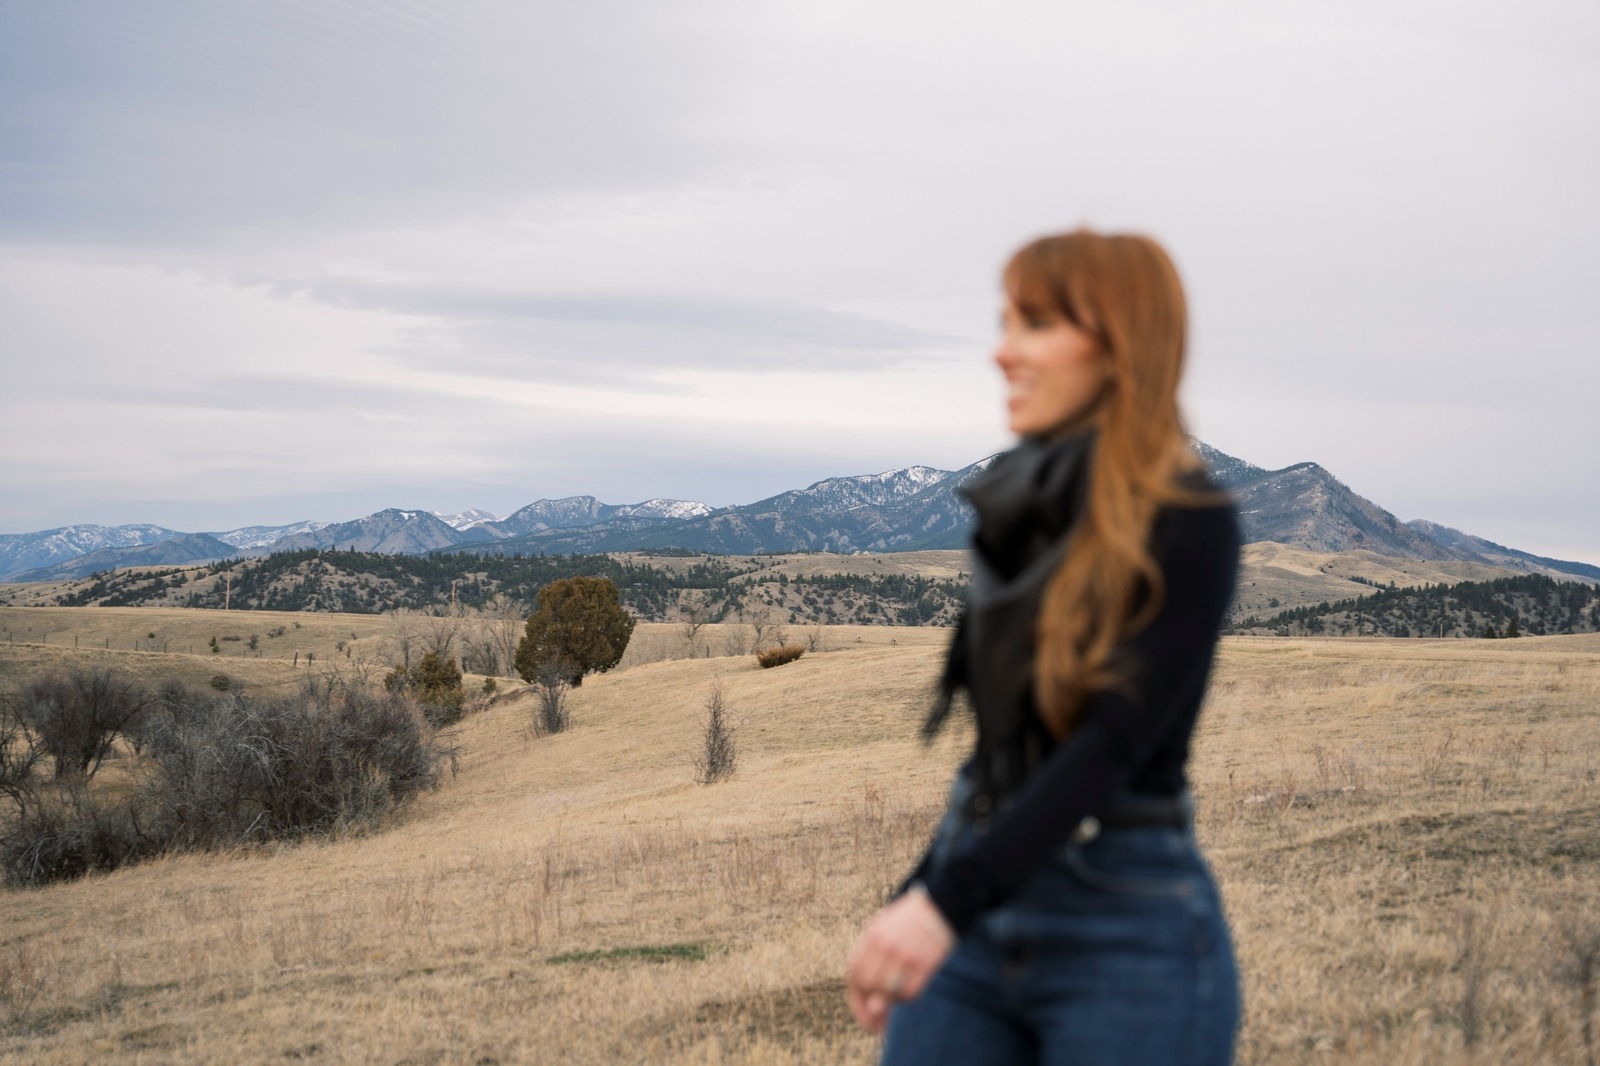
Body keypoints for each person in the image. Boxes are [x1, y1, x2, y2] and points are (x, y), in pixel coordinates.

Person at [845, 228, 1242, 1065]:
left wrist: (943, 907)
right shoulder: (1021, 513)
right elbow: (998, 760)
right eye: (1005, 323)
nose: (1001, 353)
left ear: (1117, 346)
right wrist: (919, 895)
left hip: (1124, 918)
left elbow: (1111, 744)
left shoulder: (1191, 520)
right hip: (977, 891)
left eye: (1034, 324)